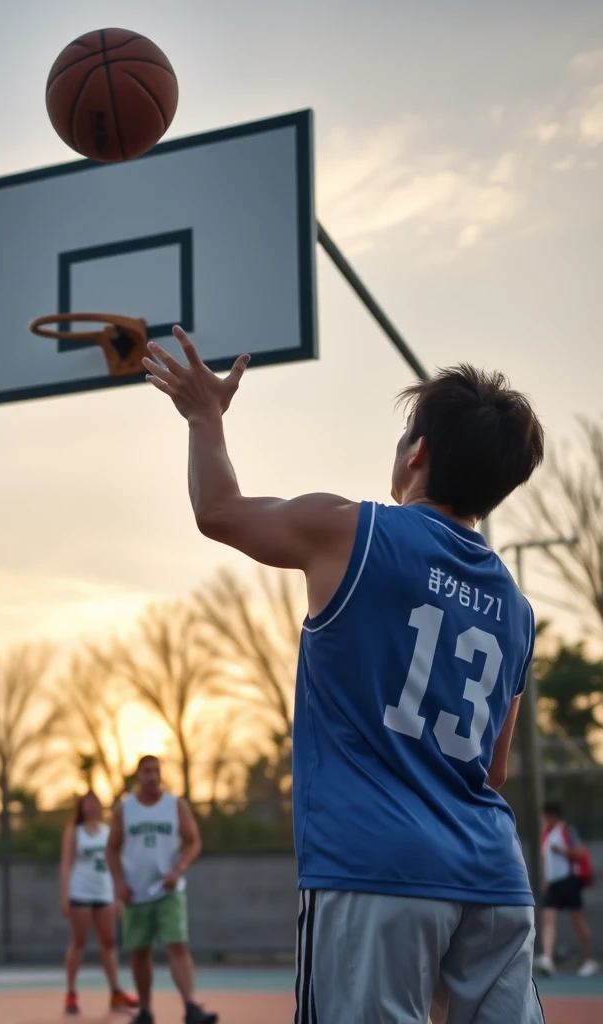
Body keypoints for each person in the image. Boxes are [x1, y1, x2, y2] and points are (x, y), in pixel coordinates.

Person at [144, 328, 547, 1024]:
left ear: (415, 453)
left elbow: (218, 512)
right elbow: (494, 771)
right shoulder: (516, 609)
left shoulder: (352, 532)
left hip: (374, 868)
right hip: (494, 876)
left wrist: (204, 419)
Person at [106, 755, 216, 1024]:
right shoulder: (126, 809)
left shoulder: (175, 805)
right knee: (140, 952)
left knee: (177, 945)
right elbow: (111, 847)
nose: (152, 776)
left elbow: (193, 842)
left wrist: (177, 869)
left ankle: (191, 1007)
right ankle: (145, 1011)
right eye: (146, 772)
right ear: (137, 776)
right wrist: (119, 883)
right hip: (136, 893)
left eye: (156, 771)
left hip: (169, 890)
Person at [60, 790, 139, 1015]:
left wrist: (118, 894)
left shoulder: (107, 832)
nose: (92, 807)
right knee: (79, 942)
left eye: (96, 802)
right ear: (82, 807)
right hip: (80, 893)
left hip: (104, 893)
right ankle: (71, 992)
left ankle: (116, 992)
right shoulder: (75, 833)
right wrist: (64, 895)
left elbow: (117, 863)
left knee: (109, 942)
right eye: (88, 803)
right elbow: (66, 865)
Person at [535, 801, 598, 977]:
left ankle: (589, 959)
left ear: (552, 815)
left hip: (569, 881)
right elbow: (547, 861)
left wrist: (562, 851)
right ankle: (548, 958)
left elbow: (580, 853)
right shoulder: (546, 834)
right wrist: (547, 880)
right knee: (548, 917)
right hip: (553, 884)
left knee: (577, 920)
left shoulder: (567, 831)